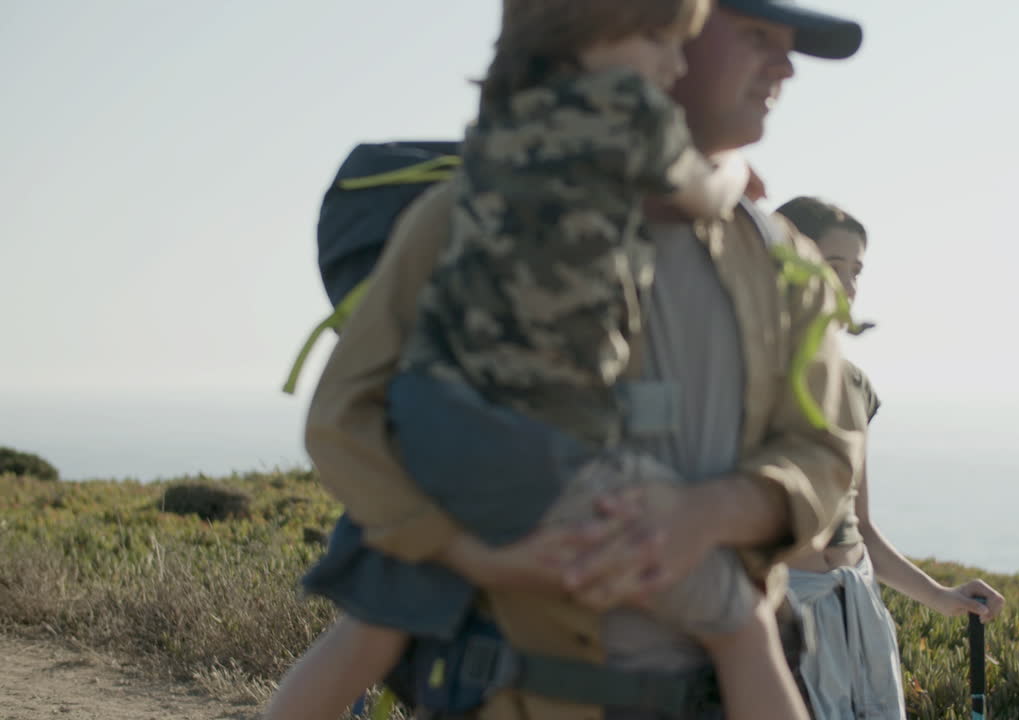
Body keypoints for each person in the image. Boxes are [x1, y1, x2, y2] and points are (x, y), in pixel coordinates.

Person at [265, 3, 868, 720]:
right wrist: (466, 551)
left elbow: (829, 453)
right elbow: (343, 420)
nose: (786, 66)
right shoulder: (464, 215)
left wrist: (706, 515)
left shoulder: (780, 264)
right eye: (758, 37)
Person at [775, 196, 1008, 720]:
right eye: (833, 265)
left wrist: (943, 597)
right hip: (785, 612)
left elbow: (861, 529)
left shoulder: (856, 385)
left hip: (858, 608)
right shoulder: (744, 374)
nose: (849, 284)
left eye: (856, 270)